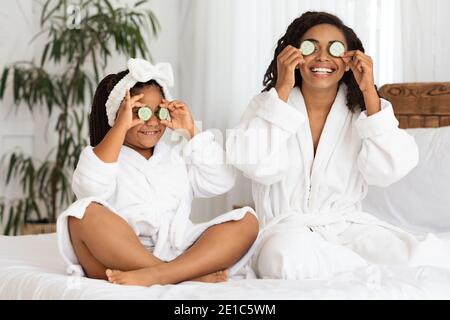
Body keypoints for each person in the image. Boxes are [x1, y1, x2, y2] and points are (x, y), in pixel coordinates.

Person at [226, 11, 450, 279]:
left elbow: (390, 169)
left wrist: (369, 91)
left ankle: (348, 264)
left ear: (348, 61)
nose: (322, 57)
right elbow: (256, 164)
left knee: (425, 255)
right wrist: (282, 88)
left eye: (334, 49)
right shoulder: (268, 106)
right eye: (311, 47)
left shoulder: (359, 112)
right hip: (288, 231)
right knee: (283, 258)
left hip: (347, 228)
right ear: (294, 57)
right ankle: (367, 270)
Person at [56, 58, 258, 286]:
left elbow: (222, 181)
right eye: (140, 113)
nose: (152, 122)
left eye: (159, 112)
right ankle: (177, 274)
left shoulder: (177, 157)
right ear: (118, 115)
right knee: (83, 214)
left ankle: (162, 274)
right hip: (121, 254)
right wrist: (120, 127)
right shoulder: (104, 157)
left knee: (247, 221)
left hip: (180, 250)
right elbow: (90, 188)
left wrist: (191, 130)